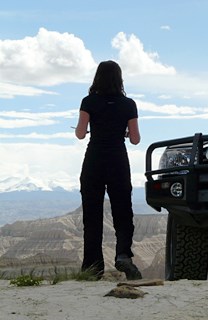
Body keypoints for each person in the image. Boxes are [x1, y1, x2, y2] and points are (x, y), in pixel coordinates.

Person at [75, 60, 142, 280]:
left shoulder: (88, 101)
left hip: (94, 159)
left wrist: (89, 129)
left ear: (97, 77)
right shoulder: (128, 104)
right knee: (123, 211)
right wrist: (121, 131)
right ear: (119, 78)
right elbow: (135, 139)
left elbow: (80, 133)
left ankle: (93, 268)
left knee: (92, 214)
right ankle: (123, 254)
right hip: (117, 160)